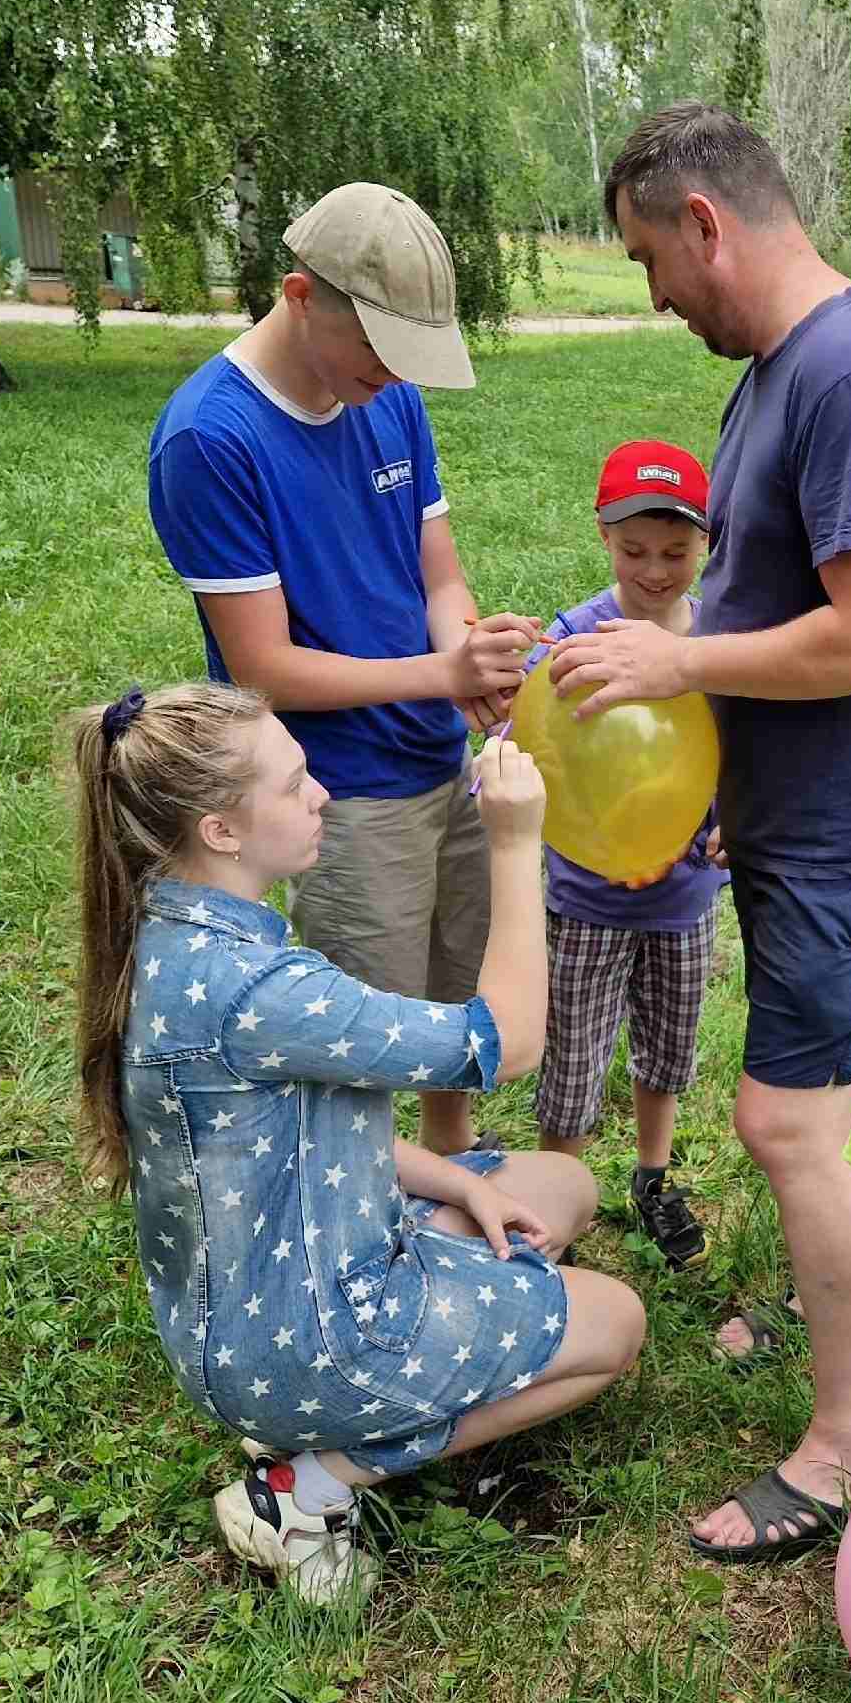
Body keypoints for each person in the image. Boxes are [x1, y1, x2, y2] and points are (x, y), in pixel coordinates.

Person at [549, 104, 851, 1560]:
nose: (652, 293)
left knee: (790, 1121)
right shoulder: (780, 371)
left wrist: (677, 666)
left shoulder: (850, 374)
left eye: (646, 258)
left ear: (706, 225)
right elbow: (772, 600)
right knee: (828, 1107)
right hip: (803, 816)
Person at [67, 681, 645, 1606]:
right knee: (617, 1325)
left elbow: (302, 1131)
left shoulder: (175, 940)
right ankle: (306, 1489)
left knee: (555, 1187)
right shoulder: (259, 990)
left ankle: (322, 1424)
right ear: (221, 829)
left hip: (261, 1301)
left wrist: (463, 1181)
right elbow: (505, 1045)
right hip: (311, 1335)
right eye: (295, 783)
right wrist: (513, 839)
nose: (321, 795)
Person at [147, 182, 541, 1157]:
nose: (393, 378)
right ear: (298, 296)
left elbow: (437, 572)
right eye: (377, 350)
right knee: (363, 1032)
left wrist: (475, 656)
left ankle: (454, 1158)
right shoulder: (210, 439)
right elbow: (263, 668)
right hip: (340, 790)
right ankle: (361, 1209)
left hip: (440, 754)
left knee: (458, 985)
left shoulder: (389, 400)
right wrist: (441, 674)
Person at [525, 440, 727, 1270]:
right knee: (573, 1057)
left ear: (704, 545)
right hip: (586, 900)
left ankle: (652, 1177)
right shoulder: (574, 639)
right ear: (604, 538)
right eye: (635, 551)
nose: (655, 571)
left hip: (684, 898)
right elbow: (540, 752)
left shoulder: (717, 643)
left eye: (675, 553)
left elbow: (729, 749)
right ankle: (554, 1200)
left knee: (669, 1049)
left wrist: (726, 823)